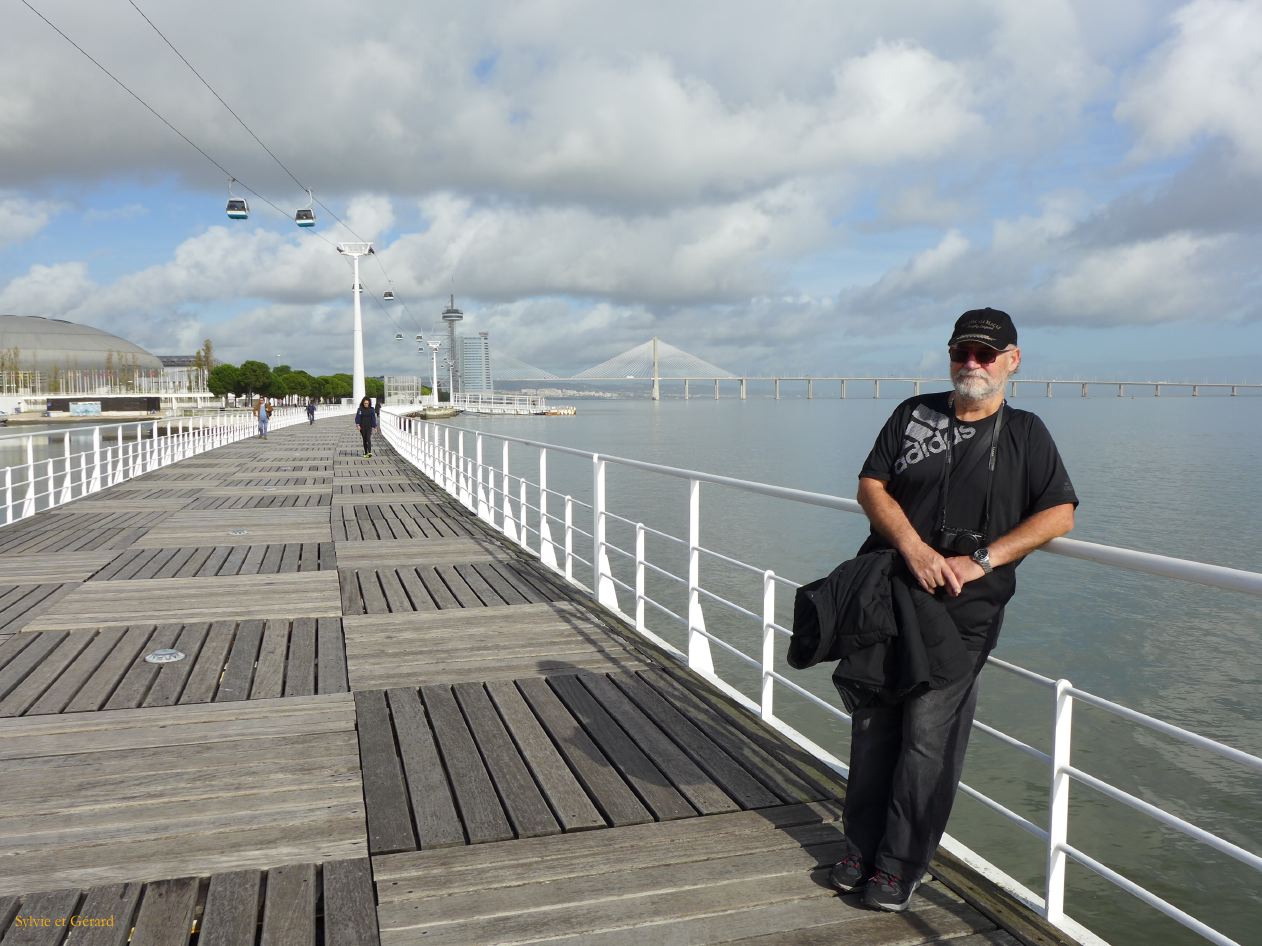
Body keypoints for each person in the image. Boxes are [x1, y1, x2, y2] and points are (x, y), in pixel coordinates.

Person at [829, 308, 1078, 912]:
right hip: (888, 596)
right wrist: (912, 547)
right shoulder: (912, 413)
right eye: (961, 353)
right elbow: (871, 485)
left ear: (1011, 362)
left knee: (926, 741)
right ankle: (860, 848)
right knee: (873, 728)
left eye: (985, 355)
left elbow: (1059, 512)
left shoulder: (1027, 434)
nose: (971, 364)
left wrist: (982, 561)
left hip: (964, 614)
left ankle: (899, 865)